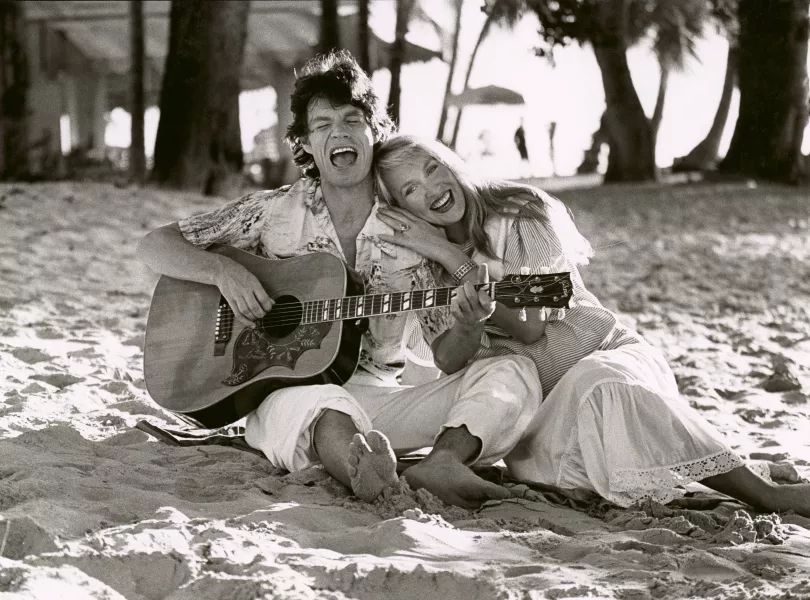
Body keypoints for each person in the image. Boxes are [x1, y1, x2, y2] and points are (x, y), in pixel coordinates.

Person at [137, 51, 542, 509]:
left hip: (383, 400)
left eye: (352, 119)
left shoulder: (411, 232)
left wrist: (469, 327)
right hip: (290, 396)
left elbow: (446, 358)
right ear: (306, 143)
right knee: (319, 404)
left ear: (375, 133)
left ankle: (442, 463)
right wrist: (223, 271)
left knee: (513, 370)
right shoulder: (272, 213)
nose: (340, 132)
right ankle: (368, 475)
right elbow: (156, 243)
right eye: (323, 124)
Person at [370, 133, 810, 517]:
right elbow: (448, 359)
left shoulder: (522, 212)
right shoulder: (422, 266)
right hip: (544, 413)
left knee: (601, 382)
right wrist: (465, 325)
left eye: (432, 168)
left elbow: (530, 326)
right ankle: (719, 468)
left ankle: (766, 493)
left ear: (449, 162)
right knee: (589, 444)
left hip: (609, 357)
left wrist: (456, 260)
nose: (431, 188)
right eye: (410, 189)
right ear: (401, 208)